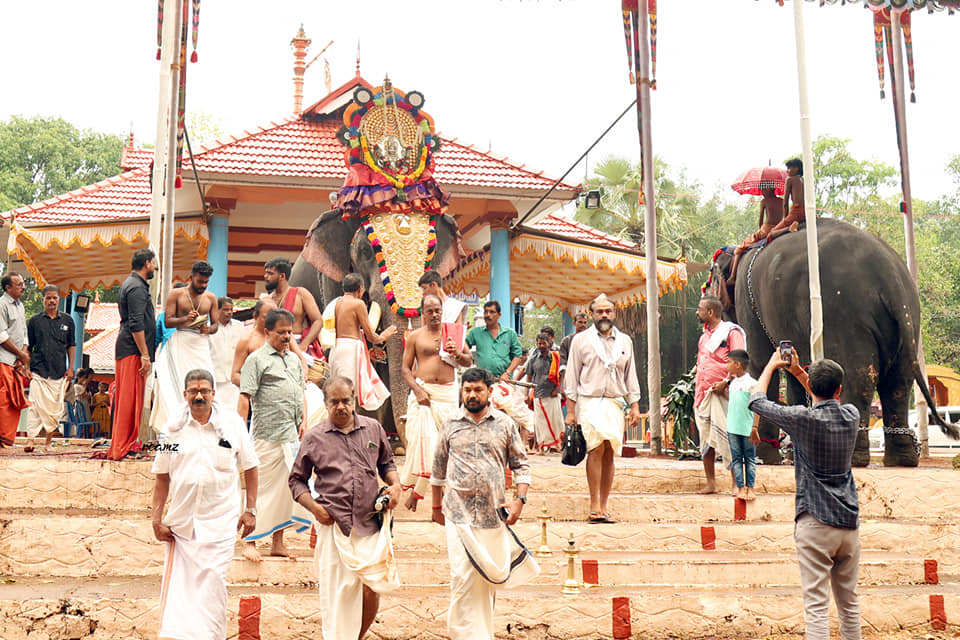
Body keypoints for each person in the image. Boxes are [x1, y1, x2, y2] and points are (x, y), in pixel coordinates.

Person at [748, 351, 861, 640]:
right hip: (848, 525)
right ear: (840, 389)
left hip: (814, 522)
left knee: (817, 606)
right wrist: (800, 373)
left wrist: (773, 365)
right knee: (849, 603)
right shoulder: (851, 415)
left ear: (814, 388)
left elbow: (757, 401)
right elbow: (825, 397)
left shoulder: (803, 419)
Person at [289, 376, 402, 640]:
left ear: (354, 401)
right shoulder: (315, 437)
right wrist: (315, 508)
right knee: (336, 594)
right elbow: (296, 480)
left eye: (346, 401)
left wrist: (395, 485)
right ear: (326, 403)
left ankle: (357, 637)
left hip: (370, 523)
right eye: (334, 401)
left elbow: (387, 464)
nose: (341, 406)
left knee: (371, 588)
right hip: (334, 525)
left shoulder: (374, 428)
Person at [431, 367, 539, 640]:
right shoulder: (450, 423)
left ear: (490, 391)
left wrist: (520, 500)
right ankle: (461, 635)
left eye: (478, 389)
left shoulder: (504, 424)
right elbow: (438, 468)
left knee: (485, 579)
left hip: (493, 515)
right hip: (457, 514)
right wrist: (435, 507)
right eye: (467, 390)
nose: (472, 395)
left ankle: (481, 634)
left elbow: (521, 465)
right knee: (461, 577)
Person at [151, 368, 259, 640]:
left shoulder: (232, 425)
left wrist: (251, 509)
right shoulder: (172, 430)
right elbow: (162, 477)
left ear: (213, 393)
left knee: (213, 583)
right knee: (182, 593)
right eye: (193, 391)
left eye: (204, 390)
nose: (199, 396)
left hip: (221, 522)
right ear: (185, 394)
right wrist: (156, 518)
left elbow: (251, 467)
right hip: (183, 526)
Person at [238, 308, 311, 562]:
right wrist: (239, 433)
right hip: (265, 434)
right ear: (268, 332)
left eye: (290, 332)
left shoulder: (293, 359)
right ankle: (250, 541)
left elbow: (300, 391)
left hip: (290, 434)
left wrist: (304, 420)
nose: (286, 337)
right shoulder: (256, 360)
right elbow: (245, 397)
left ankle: (278, 542)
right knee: (260, 490)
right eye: (281, 332)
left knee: (285, 491)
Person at [564, 294, 641, 523]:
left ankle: (605, 505)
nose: (604, 315)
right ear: (592, 315)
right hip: (590, 400)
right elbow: (572, 377)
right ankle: (594, 504)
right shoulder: (581, 341)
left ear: (614, 314)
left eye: (608, 311)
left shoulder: (625, 341)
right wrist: (570, 412)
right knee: (595, 448)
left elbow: (631, 375)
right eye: (599, 312)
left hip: (615, 403)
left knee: (609, 452)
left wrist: (635, 405)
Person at [400, 294, 471, 511]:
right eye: (430, 311)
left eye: (437, 310)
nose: (434, 315)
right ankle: (423, 496)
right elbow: (405, 369)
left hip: (447, 396)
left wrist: (456, 352)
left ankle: (423, 496)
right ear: (423, 313)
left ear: (442, 311)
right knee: (425, 444)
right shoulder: (414, 337)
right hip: (424, 396)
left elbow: (468, 360)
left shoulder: (454, 333)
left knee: (444, 448)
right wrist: (419, 391)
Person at [153, 261, 220, 431]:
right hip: (180, 343)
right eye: (200, 282)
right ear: (191, 277)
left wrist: (207, 329)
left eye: (206, 282)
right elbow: (167, 322)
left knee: (206, 381)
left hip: (201, 345)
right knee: (180, 385)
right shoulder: (176, 294)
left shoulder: (211, 298)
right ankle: (177, 426)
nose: (203, 285)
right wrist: (185, 319)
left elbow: (216, 326)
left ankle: (204, 425)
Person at [694, 295, 745, 494]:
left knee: (729, 436)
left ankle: (736, 483)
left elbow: (740, 360)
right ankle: (711, 483)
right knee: (706, 439)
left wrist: (726, 382)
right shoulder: (704, 337)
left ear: (711, 312)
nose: (697, 312)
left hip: (726, 394)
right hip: (704, 394)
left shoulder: (730, 333)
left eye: (700, 309)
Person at [110, 249, 157, 459]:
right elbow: (136, 322)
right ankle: (124, 446)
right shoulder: (136, 287)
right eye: (154, 263)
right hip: (133, 349)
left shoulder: (131, 284)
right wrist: (145, 355)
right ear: (147, 263)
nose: (155, 267)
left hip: (129, 348)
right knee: (130, 400)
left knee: (129, 399)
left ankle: (126, 445)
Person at [329, 273, 395, 411]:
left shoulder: (336, 302)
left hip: (336, 350)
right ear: (360, 289)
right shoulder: (358, 304)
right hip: (350, 351)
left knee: (339, 390)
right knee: (347, 393)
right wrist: (385, 334)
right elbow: (372, 336)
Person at [25, 285, 75, 446]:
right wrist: (27, 367)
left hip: (58, 371)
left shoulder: (68, 320)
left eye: (54, 298)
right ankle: (31, 440)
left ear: (59, 299)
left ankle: (48, 442)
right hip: (38, 371)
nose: (51, 301)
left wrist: (71, 367)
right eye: (48, 298)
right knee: (34, 406)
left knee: (54, 409)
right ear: (42, 300)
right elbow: (28, 346)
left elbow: (71, 345)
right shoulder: (34, 321)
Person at [264, 257, 324, 358]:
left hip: (297, 344)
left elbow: (318, 321)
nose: (266, 276)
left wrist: (304, 344)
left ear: (282, 276)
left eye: (270, 274)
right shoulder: (266, 300)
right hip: (271, 347)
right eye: (266, 273)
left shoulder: (300, 294)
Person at [722, 350, 759, 501]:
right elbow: (732, 400)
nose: (727, 365)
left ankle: (750, 488)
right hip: (733, 427)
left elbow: (757, 407)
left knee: (749, 458)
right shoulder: (733, 383)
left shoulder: (752, 384)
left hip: (747, 427)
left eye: (729, 362)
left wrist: (755, 427)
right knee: (736, 458)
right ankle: (741, 487)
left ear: (738, 364)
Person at [729, 185, 784, 282]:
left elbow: (760, 222)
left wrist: (761, 231)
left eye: (764, 188)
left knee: (739, 248)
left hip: (766, 230)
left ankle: (733, 277)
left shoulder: (764, 201)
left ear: (771, 188)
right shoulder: (782, 201)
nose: (762, 191)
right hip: (780, 228)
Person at [0, 273, 29, 447]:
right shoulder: (2, 304)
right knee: (3, 400)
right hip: (3, 360)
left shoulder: (21, 306)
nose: (23, 287)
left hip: (16, 362)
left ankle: (7, 439)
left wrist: (22, 354)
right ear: (7, 288)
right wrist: (20, 353)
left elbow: (24, 333)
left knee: (13, 401)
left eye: (23, 283)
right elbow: (1, 336)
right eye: (18, 284)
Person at [465, 301, 524, 383]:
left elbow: (517, 356)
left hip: (503, 382)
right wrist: (463, 330)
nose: (488, 315)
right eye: (486, 312)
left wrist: (507, 373)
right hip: (483, 381)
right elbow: (463, 347)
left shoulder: (510, 333)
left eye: (492, 312)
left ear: (499, 315)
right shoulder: (475, 333)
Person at [524, 332, 563, 453]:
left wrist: (558, 388)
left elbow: (562, 374)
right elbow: (529, 378)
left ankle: (556, 446)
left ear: (549, 343)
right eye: (539, 343)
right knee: (540, 423)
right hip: (539, 395)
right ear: (537, 344)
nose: (541, 346)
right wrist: (526, 394)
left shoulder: (556, 358)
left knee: (556, 421)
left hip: (553, 394)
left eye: (544, 343)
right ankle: (541, 447)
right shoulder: (533, 360)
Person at [209, 296, 244, 411]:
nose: (229, 312)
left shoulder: (239, 326)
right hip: (215, 377)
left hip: (233, 378)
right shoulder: (209, 328)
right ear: (217, 310)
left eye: (231, 309)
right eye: (225, 309)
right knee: (216, 410)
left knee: (233, 412)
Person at [766, 157, 804, 243]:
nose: (787, 171)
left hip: (796, 212)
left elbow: (785, 202)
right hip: (806, 212)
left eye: (789, 168)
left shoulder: (790, 179)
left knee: (770, 234)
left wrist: (786, 218)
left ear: (796, 168)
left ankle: (789, 228)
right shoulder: (804, 180)